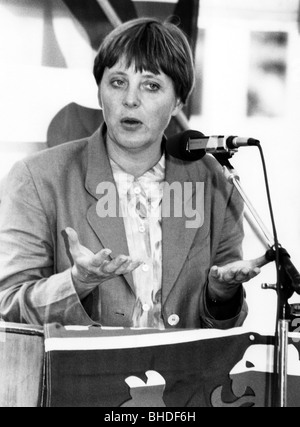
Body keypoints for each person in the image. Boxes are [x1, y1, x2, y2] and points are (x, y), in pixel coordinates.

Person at [0, 18, 261, 329]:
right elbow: (8, 303)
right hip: (83, 375)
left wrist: (221, 295)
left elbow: (225, 326)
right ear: (99, 91)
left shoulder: (216, 182)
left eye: (151, 85)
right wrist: (76, 282)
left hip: (188, 376)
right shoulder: (37, 178)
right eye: (118, 82)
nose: (130, 100)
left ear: (178, 99)